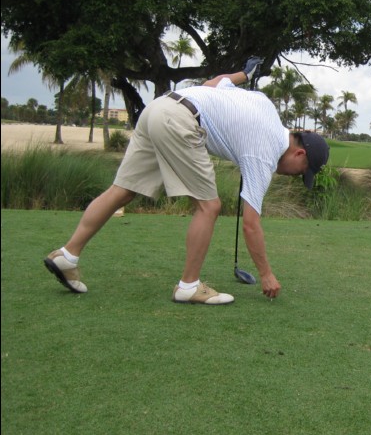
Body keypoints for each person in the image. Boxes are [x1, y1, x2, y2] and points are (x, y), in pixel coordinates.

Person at [44, 57, 330, 305]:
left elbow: (213, 84)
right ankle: (189, 286)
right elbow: (251, 223)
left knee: (123, 190)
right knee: (209, 206)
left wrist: (245, 74)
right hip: (181, 121)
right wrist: (266, 273)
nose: (293, 176)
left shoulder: (264, 104)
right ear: (299, 152)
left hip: (158, 108)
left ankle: (68, 256)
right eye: (300, 171)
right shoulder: (266, 152)